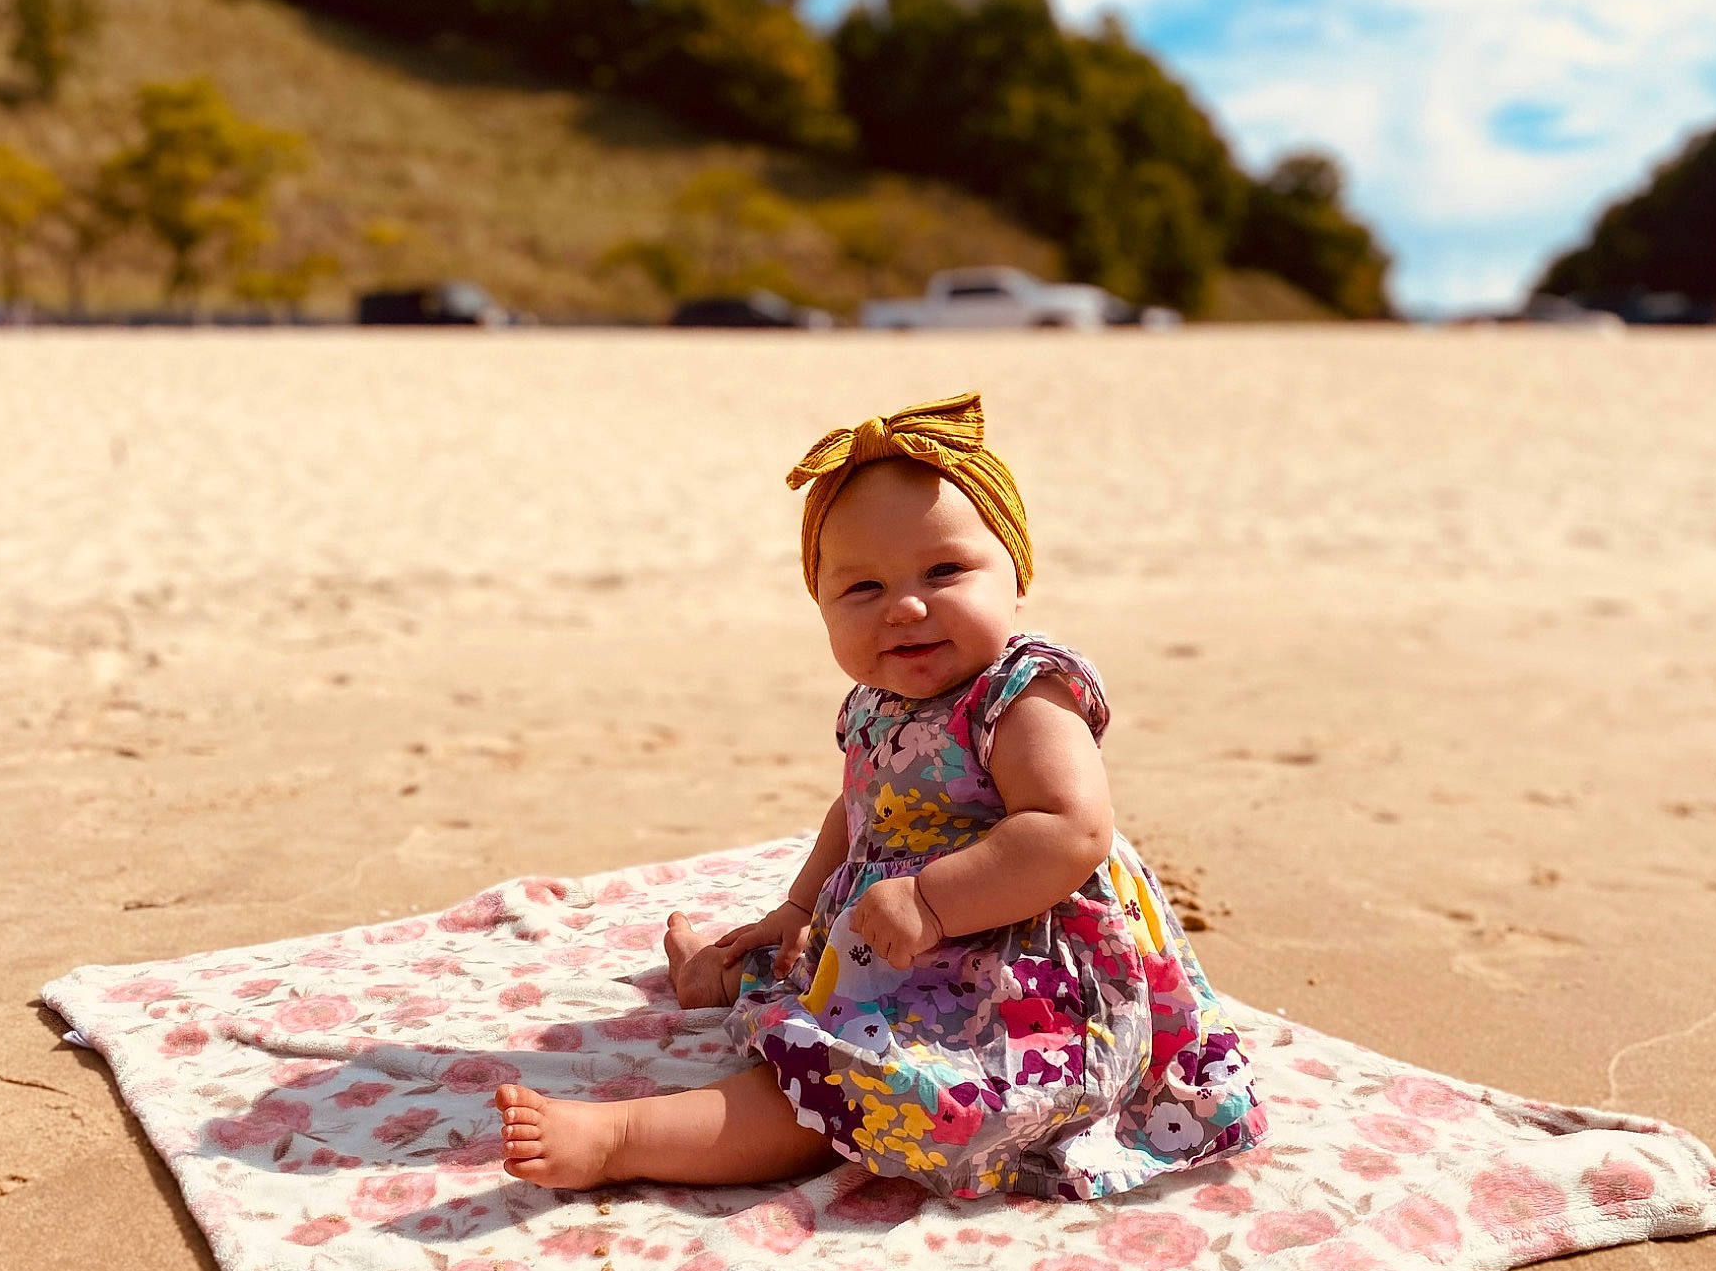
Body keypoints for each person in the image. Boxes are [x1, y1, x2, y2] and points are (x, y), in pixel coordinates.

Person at [495, 393, 1264, 1199]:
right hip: (881, 943)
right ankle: (711, 976)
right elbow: (856, 809)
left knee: (848, 1093)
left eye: (945, 572)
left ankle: (623, 1139)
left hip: (1012, 969)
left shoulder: (1021, 693)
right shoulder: (876, 701)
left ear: (1016, 576)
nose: (905, 606)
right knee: (777, 972)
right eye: (863, 587)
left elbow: (1069, 830)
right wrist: (798, 908)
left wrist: (933, 900)